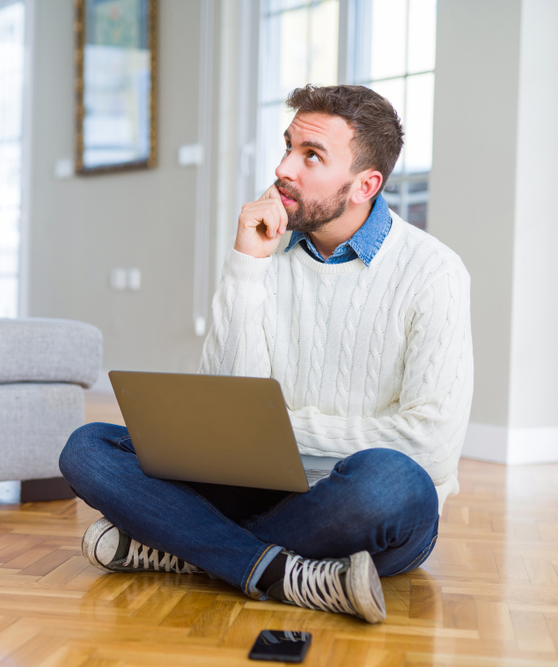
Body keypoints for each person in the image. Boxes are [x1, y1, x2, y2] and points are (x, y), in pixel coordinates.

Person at [59, 84, 473, 624]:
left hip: (354, 510)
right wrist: (246, 262)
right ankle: (278, 571)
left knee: (392, 483)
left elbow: (432, 447)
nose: (284, 168)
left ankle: (181, 549)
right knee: (88, 447)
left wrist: (273, 430)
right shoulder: (268, 250)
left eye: (312, 156)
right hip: (255, 487)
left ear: (365, 185)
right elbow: (224, 402)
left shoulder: (433, 273)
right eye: (288, 147)